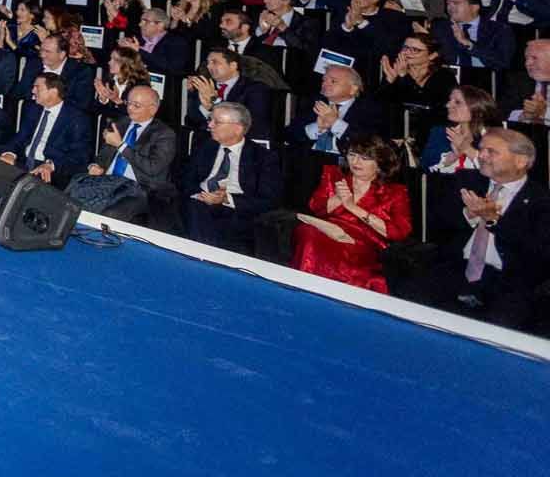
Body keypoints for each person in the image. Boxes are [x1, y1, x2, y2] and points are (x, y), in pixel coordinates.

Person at [404, 129, 550, 330]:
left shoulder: (541, 200)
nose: (481, 156)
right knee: (410, 301)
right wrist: (469, 215)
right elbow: (434, 226)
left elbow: (538, 253)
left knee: (500, 326)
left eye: (492, 152)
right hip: (457, 266)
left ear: (521, 161)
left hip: (508, 280)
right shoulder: (466, 181)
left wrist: (494, 220)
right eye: (481, 149)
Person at [290, 134, 412, 294]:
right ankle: (303, 291)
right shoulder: (333, 175)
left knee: (335, 251)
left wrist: (352, 206)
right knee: (308, 234)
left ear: (380, 163)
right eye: (352, 155)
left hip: (362, 241)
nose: (355, 162)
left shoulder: (396, 193)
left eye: (364, 158)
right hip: (326, 229)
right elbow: (316, 208)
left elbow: (399, 232)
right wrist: (338, 198)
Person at [180, 101, 282, 254]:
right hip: (198, 202)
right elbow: (185, 177)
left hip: (235, 210)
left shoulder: (263, 157)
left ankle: (203, 256)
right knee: (193, 208)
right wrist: (199, 195)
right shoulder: (206, 146)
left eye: (217, 122)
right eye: (210, 120)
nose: (210, 126)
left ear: (237, 128)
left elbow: (269, 199)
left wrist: (226, 199)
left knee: (202, 216)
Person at [68, 84, 177, 223]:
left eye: (136, 105)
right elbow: (103, 156)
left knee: (110, 214)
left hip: (141, 188)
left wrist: (121, 145)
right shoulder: (120, 123)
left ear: (153, 109)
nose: (130, 108)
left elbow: (152, 168)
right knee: (71, 194)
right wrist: (96, 165)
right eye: (128, 103)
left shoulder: (164, 134)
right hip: (109, 181)